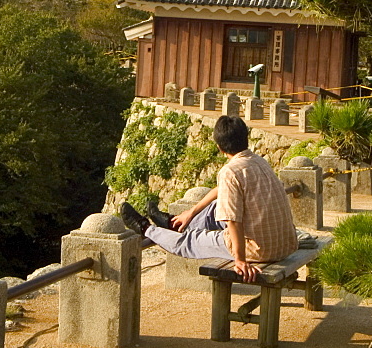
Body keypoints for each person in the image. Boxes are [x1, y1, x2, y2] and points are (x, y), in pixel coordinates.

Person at [120, 115, 297, 282]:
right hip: (285, 243)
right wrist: (191, 212)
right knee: (214, 207)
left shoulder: (230, 172)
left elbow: (234, 221)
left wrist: (240, 259)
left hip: (260, 250)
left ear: (219, 147)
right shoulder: (258, 161)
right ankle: (172, 224)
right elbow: (221, 190)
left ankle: (145, 228)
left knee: (189, 241)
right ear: (245, 138)